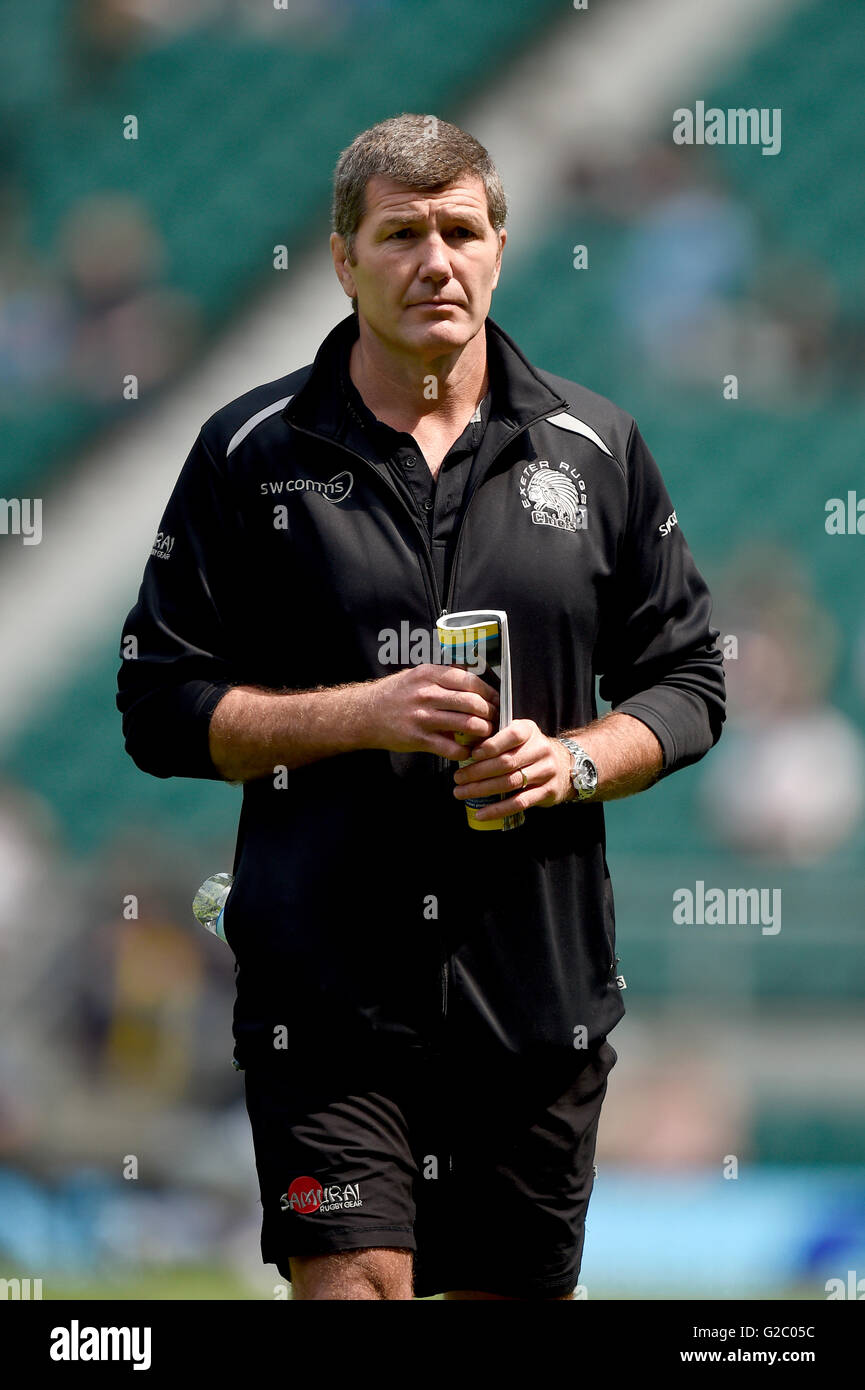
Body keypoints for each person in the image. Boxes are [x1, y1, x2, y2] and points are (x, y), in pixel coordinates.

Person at [116, 113, 726, 1300]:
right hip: (325, 998)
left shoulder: (597, 447)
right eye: (400, 234)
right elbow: (158, 706)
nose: (433, 259)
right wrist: (365, 712)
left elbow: (690, 680)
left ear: (500, 246)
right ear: (344, 260)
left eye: (459, 229)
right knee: (358, 1286)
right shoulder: (249, 453)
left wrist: (575, 761)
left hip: (535, 996)